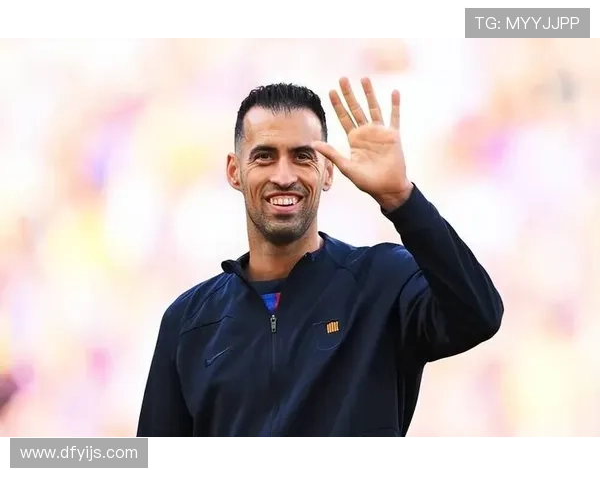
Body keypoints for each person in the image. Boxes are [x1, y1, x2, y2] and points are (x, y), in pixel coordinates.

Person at [136, 77, 503, 438]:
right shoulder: (189, 321)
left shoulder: (383, 282)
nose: (284, 176)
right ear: (235, 171)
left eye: (302, 157)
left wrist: (401, 199)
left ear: (327, 171)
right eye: (264, 157)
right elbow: (150, 460)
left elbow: (478, 316)